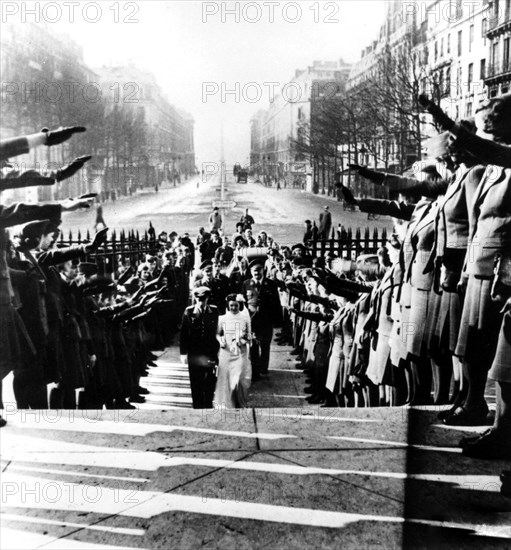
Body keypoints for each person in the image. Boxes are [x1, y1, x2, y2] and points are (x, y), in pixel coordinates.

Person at [179, 286, 219, 408]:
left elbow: (219, 330)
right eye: (198, 299)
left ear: (208, 298)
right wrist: (183, 353)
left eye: (204, 298)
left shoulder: (214, 311)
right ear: (195, 298)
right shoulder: (189, 312)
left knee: (210, 379)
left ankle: (207, 404)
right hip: (194, 352)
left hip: (210, 351)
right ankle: (197, 405)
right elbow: (183, 334)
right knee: (196, 380)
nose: (201, 301)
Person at [242, 258, 282, 380]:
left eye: (259, 270)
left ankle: (264, 368)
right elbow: (243, 303)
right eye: (254, 270)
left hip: (266, 320)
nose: (256, 273)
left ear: (263, 270)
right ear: (250, 271)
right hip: (252, 320)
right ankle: (255, 370)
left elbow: (276, 303)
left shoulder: (271, 284)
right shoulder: (246, 284)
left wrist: (278, 321)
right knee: (253, 345)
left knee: (265, 345)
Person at [213, 294, 251, 408]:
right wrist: (220, 341)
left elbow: (249, 335)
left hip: (240, 352)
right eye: (231, 305)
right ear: (228, 305)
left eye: (236, 305)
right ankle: (228, 403)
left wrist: (242, 341)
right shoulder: (222, 318)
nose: (233, 308)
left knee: (239, 379)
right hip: (226, 351)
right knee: (225, 378)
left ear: (240, 305)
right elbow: (217, 334)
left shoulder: (245, 318)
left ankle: (239, 402)